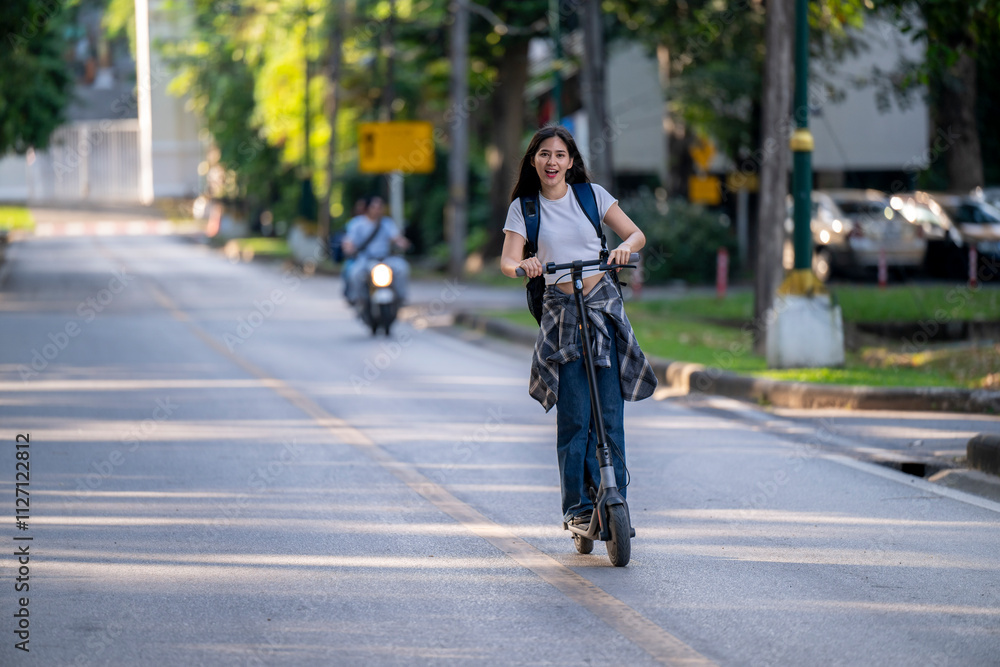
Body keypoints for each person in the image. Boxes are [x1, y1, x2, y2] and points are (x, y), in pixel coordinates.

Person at [500, 125, 657, 528]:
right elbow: (508, 261)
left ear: (571, 162)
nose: (552, 162)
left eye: (559, 155)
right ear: (533, 160)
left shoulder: (591, 195)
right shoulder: (525, 207)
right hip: (561, 313)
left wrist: (624, 247)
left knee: (608, 410)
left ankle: (613, 493)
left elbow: (635, 233)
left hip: (603, 307)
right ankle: (578, 507)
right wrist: (526, 265)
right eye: (544, 154)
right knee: (575, 414)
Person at [342, 195, 411, 304]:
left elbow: (396, 237)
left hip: (385, 259)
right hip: (365, 259)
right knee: (355, 274)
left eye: (380, 207)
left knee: (402, 268)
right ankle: (359, 300)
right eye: (374, 207)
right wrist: (348, 247)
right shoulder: (357, 223)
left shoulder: (387, 223)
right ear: (368, 208)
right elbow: (349, 240)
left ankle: (400, 298)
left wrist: (403, 243)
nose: (377, 210)